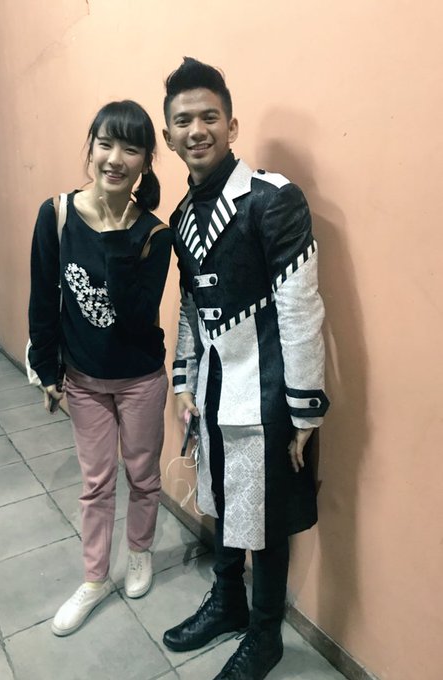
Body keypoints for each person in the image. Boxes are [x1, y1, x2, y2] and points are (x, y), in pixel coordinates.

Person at [161, 58, 329, 680]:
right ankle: (228, 599)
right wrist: (184, 379)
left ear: (231, 126)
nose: (197, 129)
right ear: (168, 135)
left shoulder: (273, 197)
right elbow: (190, 306)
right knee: (223, 498)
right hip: (213, 391)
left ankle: (265, 635)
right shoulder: (181, 216)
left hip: (269, 393)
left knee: (267, 515)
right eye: (183, 121)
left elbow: (301, 306)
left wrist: (305, 408)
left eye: (209, 117)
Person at [28, 100, 172, 636]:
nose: (115, 158)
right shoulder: (56, 214)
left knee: (143, 476)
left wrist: (115, 234)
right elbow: (44, 299)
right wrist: (46, 369)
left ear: (145, 161)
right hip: (84, 380)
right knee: (95, 483)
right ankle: (94, 579)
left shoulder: (154, 234)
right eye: (105, 144)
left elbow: (136, 318)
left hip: (141, 378)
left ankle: (139, 552)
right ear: (90, 147)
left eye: (130, 149)